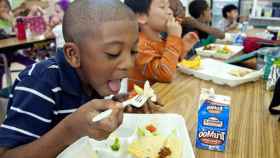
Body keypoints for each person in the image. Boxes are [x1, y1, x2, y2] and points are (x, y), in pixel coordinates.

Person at [0, 1, 158, 157]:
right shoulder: (39, 83)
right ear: (74, 55)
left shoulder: (92, 79)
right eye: (113, 53)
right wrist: (69, 131)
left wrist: (122, 105)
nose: (129, 64)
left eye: (133, 51)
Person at [124, 0, 199, 89]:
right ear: (141, 17)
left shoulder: (159, 39)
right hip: (142, 99)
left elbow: (170, 63)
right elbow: (165, 74)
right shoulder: (139, 46)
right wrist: (174, 38)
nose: (170, 12)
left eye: (168, 7)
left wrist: (184, 47)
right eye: (162, 7)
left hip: (162, 93)